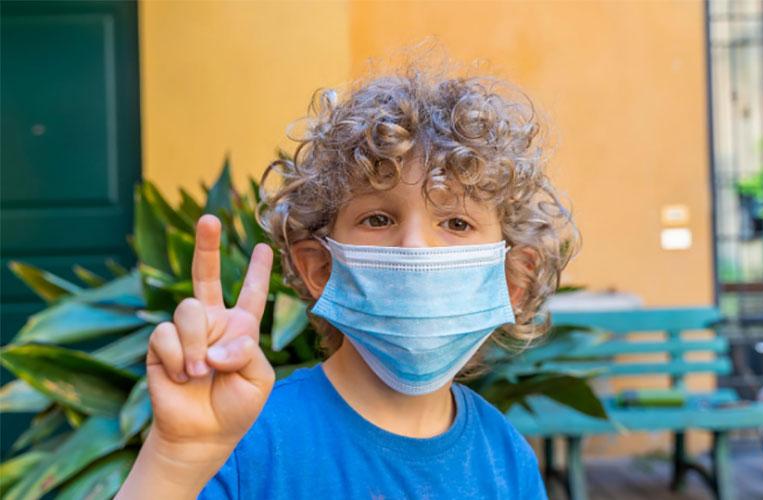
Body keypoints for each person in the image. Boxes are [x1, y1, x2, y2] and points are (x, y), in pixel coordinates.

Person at [116, 55, 577, 500]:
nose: (415, 248)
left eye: (456, 223)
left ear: (512, 281)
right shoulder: (244, 439)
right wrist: (175, 460)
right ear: (320, 268)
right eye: (378, 219)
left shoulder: (507, 459)